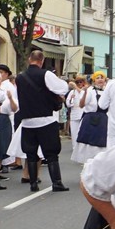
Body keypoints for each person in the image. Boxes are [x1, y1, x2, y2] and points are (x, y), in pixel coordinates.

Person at [15, 48, 70, 191]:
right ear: (42, 61)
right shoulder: (45, 74)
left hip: (27, 121)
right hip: (45, 119)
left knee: (31, 154)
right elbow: (62, 88)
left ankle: (33, 184)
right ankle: (57, 183)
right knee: (51, 153)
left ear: (29, 59)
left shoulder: (20, 77)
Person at [71, 72, 108, 166]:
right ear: (94, 80)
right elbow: (81, 105)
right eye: (98, 78)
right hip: (90, 120)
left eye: (102, 78)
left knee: (102, 142)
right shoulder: (90, 90)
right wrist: (85, 93)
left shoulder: (107, 91)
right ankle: (88, 165)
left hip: (103, 119)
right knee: (89, 143)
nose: (100, 80)